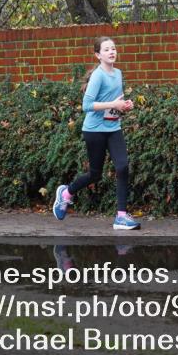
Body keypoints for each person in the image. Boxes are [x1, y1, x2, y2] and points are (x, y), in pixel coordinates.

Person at [52, 37, 139, 230]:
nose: (111, 52)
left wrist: (124, 106)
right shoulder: (98, 76)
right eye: (106, 49)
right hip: (94, 131)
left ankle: (121, 216)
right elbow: (86, 105)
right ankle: (67, 193)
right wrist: (113, 105)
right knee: (95, 174)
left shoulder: (118, 73)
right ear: (98, 55)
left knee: (123, 167)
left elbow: (115, 101)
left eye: (113, 48)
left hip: (113, 128)